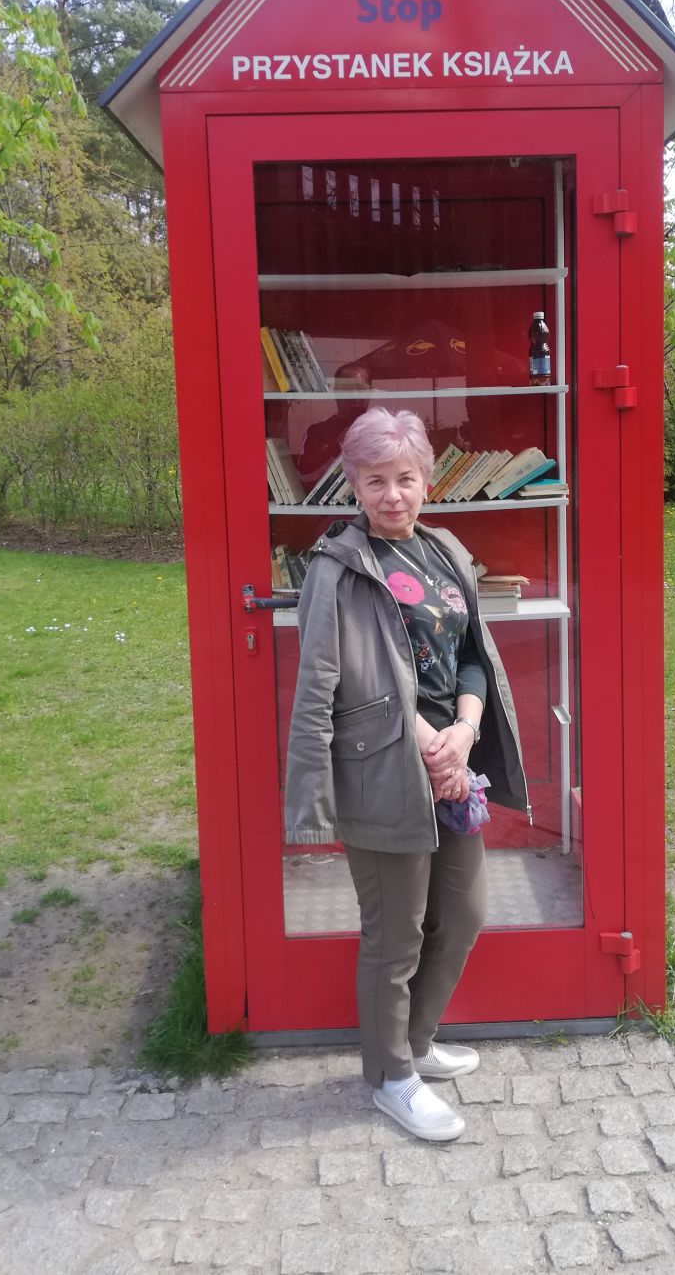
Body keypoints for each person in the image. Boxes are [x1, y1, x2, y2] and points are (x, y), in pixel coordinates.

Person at [284, 408, 528, 1142]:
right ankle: (391, 1077)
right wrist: (425, 744)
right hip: (384, 770)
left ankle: (415, 1044)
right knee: (395, 936)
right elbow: (320, 685)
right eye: (374, 481)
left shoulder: (444, 550)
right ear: (353, 487)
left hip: (452, 760)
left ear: (427, 481)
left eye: (405, 478)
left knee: (462, 914)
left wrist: (465, 731)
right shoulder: (335, 569)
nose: (392, 494)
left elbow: (472, 654)